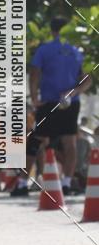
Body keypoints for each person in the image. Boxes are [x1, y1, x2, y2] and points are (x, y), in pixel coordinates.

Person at [29, 16, 91, 195]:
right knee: (69, 142)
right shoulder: (77, 51)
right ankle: (65, 182)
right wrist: (74, 93)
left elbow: (34, 75)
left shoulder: (44, 50)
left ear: (51, 30)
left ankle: (27, 181)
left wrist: (34, 98)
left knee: (39, 140)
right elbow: (87, 80)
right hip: (70, 103)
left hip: (47, 101)